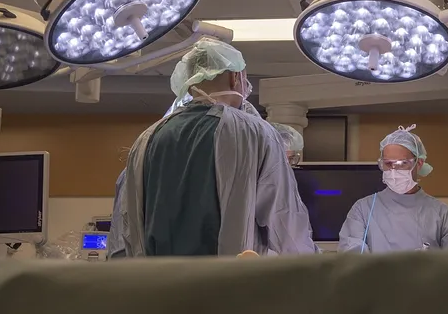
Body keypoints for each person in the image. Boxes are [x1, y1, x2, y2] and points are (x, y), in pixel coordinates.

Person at [114, 38, 316, 256]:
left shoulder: (147, 139)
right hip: (227, 276)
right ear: (235, 77)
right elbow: (285, 221)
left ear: (189, 80)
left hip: (158, 276)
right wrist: (314, 266)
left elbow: (125, 226)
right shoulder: (253, 132)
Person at [338, 125, 448, 253]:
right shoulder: (363, 209)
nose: (393, 170)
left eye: (402, 163)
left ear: (419, 164)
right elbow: (352, 257)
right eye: (388, 164)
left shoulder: (442, 215)